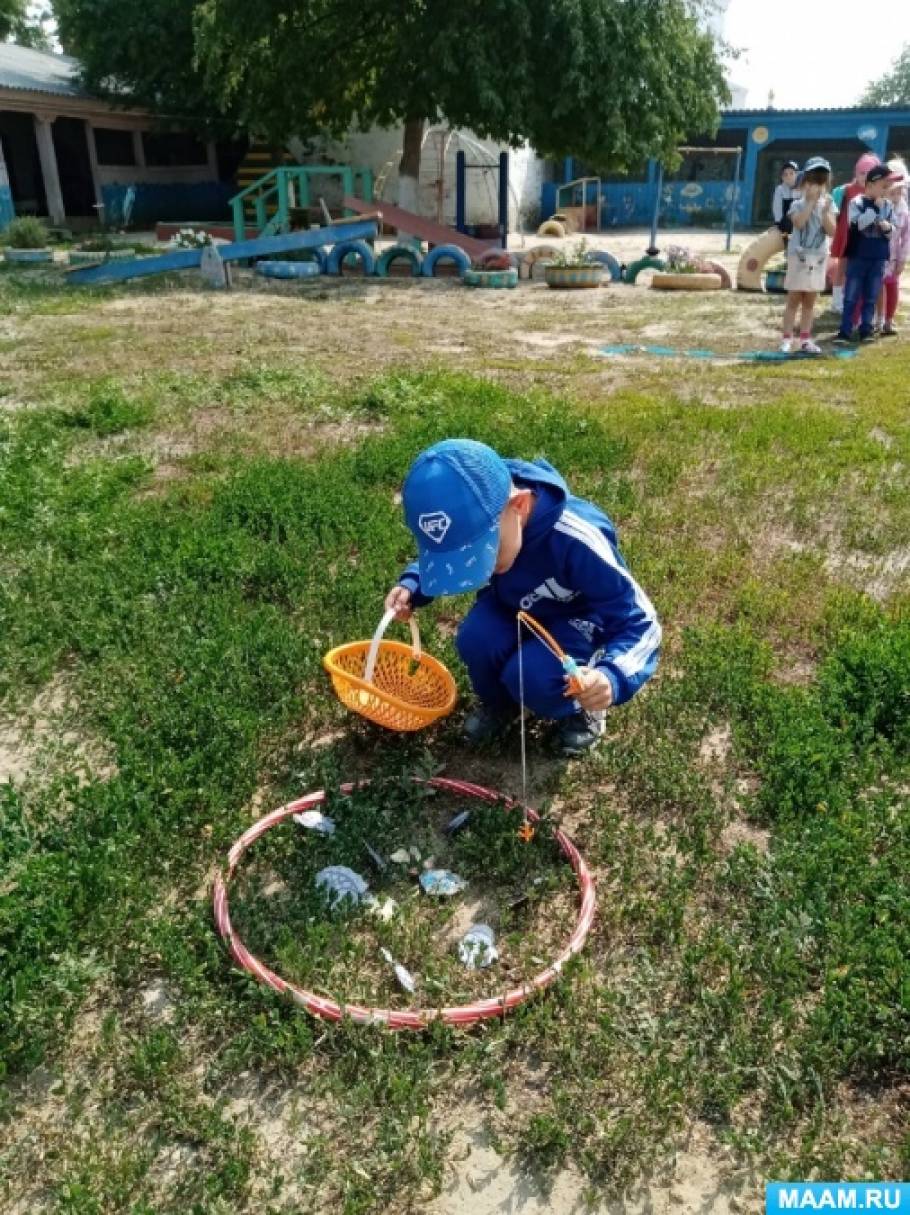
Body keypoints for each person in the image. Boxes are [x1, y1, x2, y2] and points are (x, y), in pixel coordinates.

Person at [384, 439, 661, 756]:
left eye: (485, 553)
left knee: (533, 676)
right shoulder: (484, 508)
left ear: (520, 506)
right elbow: (447, 549)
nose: (480, 566)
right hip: (511, 605)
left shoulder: (576, 539)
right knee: (475, 640)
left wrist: (611, 676)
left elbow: (641, 620)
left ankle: (581, 712)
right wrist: (416, 583)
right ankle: (502, 706)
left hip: (575, 620)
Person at [834, 163, 903, 345]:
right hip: (858, 257)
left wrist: (886, 225)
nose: (886, 190)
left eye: (888, 186)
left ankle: (866, 329)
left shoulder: (888, 205)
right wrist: (875, 211)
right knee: (851, 296)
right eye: (884, 186)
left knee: (871, 296)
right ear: (871, 185)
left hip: (878, 258)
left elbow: (892, 230)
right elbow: (857, 225)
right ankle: (845, 331)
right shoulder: (856, 203)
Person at [780, 157, 837, 355]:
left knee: (810, 301)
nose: (816, 186)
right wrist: (811, 203)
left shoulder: (829, 205)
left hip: (819, 257)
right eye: (812, 181)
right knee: (794, 298)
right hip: (799, 257)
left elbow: (832, 232)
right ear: (803, 183)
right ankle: (787, 338)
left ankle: (805, 339)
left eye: (820, 181)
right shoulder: (796, 204)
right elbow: (799, 223)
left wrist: (824, 211)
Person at [829, 152, 879, 314]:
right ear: (855, 173)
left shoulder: (876, 192)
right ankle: (837, 302)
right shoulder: (846, 190)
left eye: (868, 173)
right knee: (841, 268)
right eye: (861, 173)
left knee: (859, 271)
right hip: (847, 235)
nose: (864, 177)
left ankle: (856, 300)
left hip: (866, 238)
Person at [878, 157, 909, 336]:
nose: (896, 196)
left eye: (900, 192)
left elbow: (906, 238)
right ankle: (875, 319)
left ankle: (888, 321)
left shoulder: (904, 211)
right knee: (874, 289)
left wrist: (902, 260)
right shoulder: (878, 206)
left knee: (892, 287)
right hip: (877, 257)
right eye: (892, 192)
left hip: (893, 258)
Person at [772, 161, 799, 235]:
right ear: (782, 177)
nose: (788, 176)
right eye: (785, 174)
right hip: (786, 223)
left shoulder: (803, 187)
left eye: (791, 173)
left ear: (797, 174)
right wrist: (777, 224)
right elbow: (777, 207)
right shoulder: (780, 189)